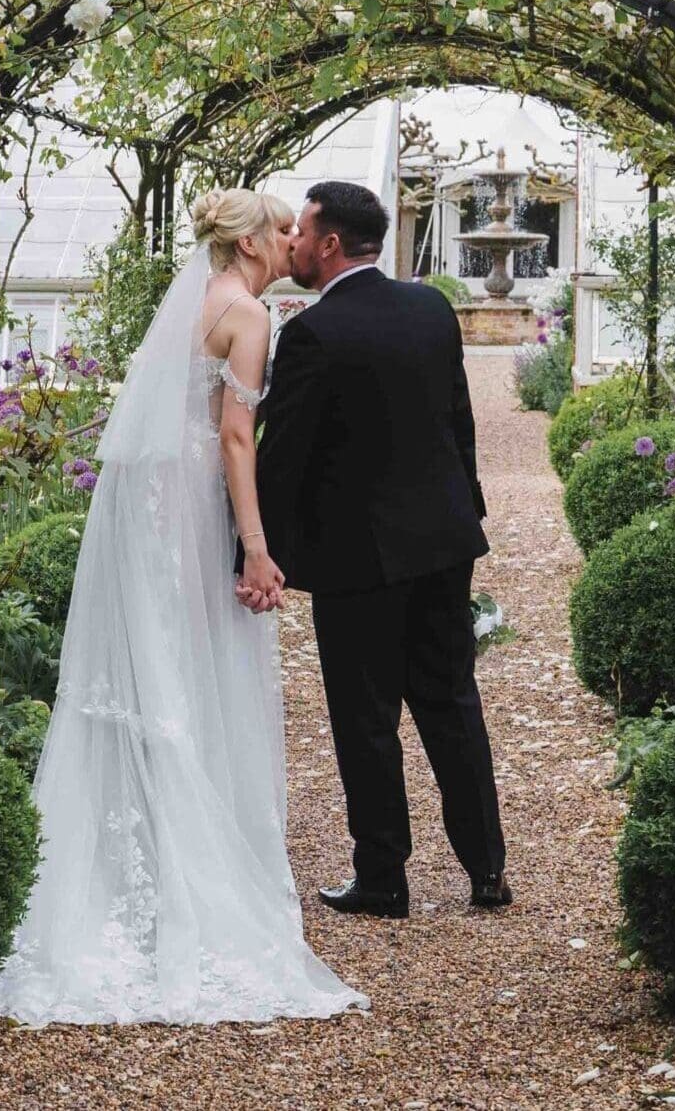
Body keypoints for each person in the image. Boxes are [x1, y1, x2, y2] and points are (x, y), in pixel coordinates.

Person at [0, 188, 366, 1025]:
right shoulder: (250, 319)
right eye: (284, 229)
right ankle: (186, 879)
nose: (294, 239)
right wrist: (257, 547)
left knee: (147, 672)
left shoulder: (196, 304)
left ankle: (121, 871)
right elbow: (233, 437)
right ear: (253, 241)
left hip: (142, 510)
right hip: (190, 507)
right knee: (190, 672)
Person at [239, 180, 509, 920]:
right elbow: (459, 421)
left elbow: (283, 457)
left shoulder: (314, 334)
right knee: (452, 700)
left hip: (359, 559)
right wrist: (467, 509)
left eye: (301, 234)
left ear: (328, 244)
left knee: (366, 718)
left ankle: (384, 878)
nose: (290, 243)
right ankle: (487, 868)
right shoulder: (430, 308)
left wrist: (256, 548)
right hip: (445, 541)